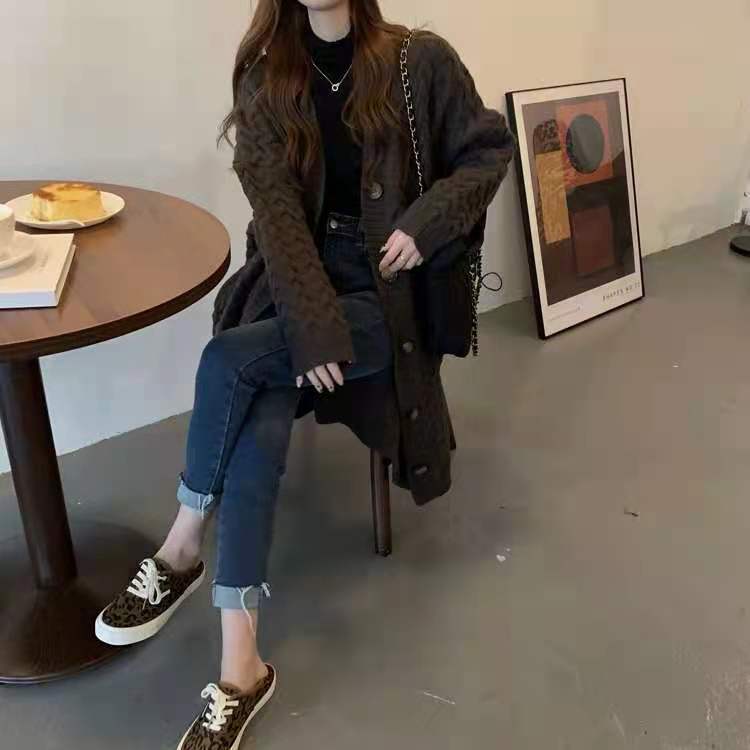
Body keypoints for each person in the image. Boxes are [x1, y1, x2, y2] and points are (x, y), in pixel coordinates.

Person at [94, 1, 515, 747]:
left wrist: (424, 223)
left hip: (385, 299)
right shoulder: (266, 82)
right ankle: (241, 665)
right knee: (256, 407)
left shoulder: (419, 61)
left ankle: (182, 546)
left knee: (228, 362)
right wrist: (312, 327)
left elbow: (488, 151)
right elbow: (280, 223)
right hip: (297, 284)